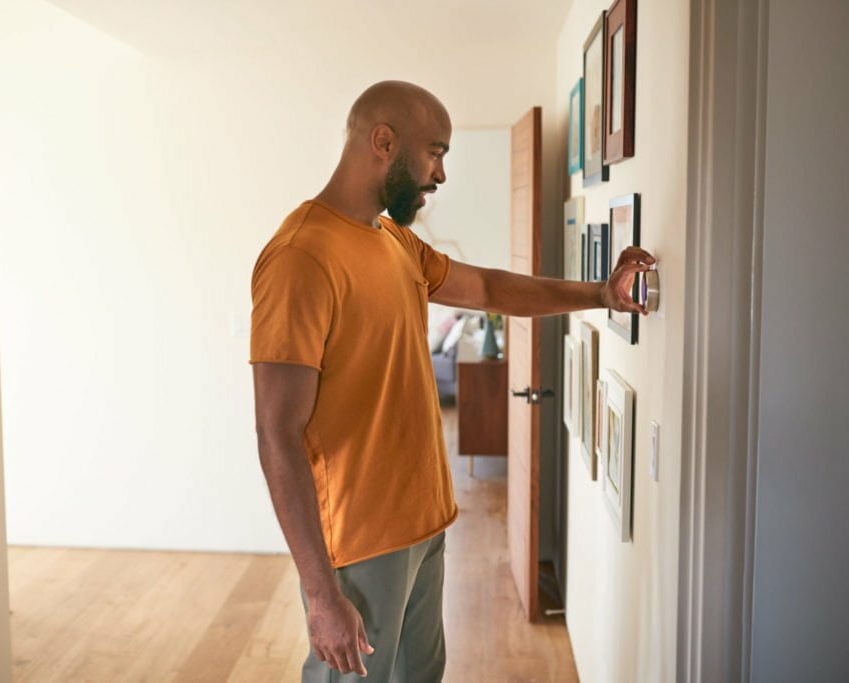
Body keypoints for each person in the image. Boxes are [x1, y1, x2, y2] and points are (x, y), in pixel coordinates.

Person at [249, 81, 653, 682]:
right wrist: (318, 593)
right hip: (359, 541)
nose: (439, 175)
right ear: (383, 142)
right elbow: (276, 433)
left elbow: (489, 288)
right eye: (434, 152)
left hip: (425, 524)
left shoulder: (395, 242)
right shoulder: (301, 256)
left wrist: (600, 294)